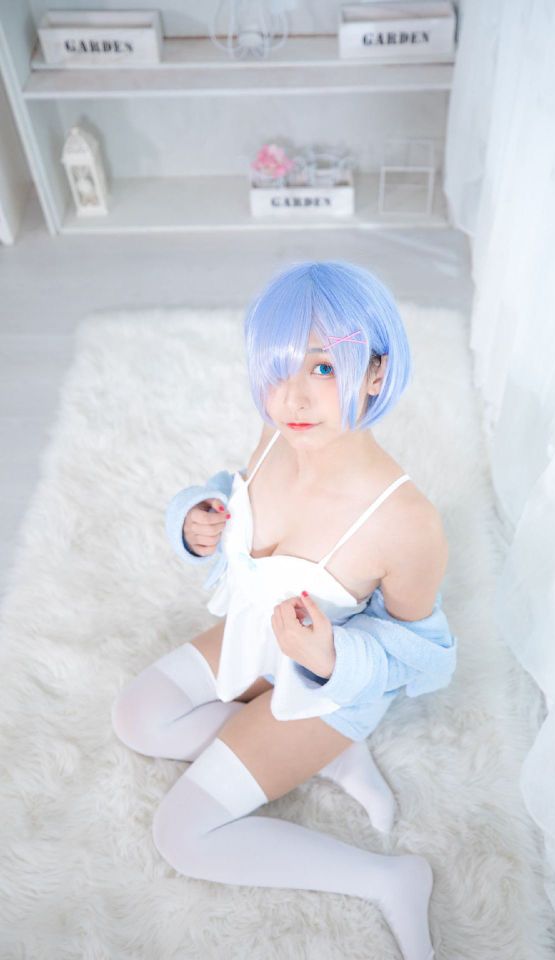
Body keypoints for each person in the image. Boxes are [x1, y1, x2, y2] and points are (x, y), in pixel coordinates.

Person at [111, 260, 457, 960]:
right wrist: (198, 519)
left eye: (324, 368)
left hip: (324, 690)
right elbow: (233, 495)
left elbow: (428, 655)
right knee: (136, 716)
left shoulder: (407, 523)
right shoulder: (278, 432)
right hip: (253, 640)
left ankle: (389, 877)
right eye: (277, 369)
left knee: (181, 834)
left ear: (376, 373)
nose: (292, 395)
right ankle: (328, 763)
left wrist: (330, 657)